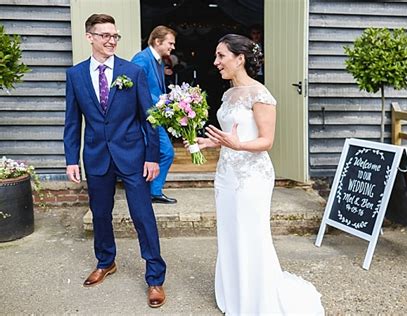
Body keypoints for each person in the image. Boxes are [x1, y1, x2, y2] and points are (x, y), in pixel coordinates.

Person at [187, 34, 325, 314]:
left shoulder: (261, 95)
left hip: (252, 177)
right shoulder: (227, 94)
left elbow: (266, 141)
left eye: (221, 56)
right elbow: (233, 134)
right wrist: (213, 142)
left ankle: (258, 299)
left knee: (251, 232)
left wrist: (237, 144)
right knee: (229, 231)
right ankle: (236, 293)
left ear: (240, 59)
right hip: (226, 173)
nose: (216, 62)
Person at [63, 14, 166, 308]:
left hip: (133, 156)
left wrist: (152, 157)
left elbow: (150, 118)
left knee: (143, 216)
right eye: (105, 35)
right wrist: (72, 159)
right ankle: (106, 261)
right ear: (90, 37)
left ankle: (155, 278)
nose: (111, 41)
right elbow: (72, 122)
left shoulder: (132, 72)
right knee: (100, 214)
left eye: (115, 36)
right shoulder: (76, 75)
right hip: (96, 157)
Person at [131, 26, 177, 204]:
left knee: (160, 153)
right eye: (170, 43)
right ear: (157, 41)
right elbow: (134, 88)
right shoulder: (141, 60)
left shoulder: (157, 60)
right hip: (146, 118)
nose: (172, 47)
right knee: (167, 152)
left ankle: (152, 191)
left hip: (156, 116)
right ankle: (153, 192)